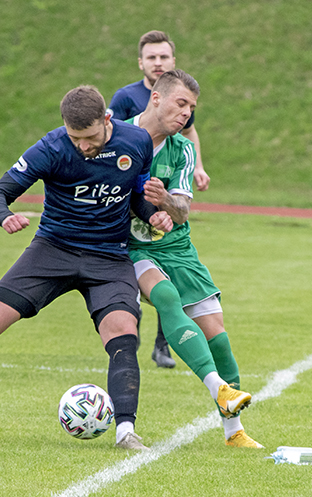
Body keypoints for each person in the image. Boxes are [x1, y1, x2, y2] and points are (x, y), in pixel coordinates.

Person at [0, 85, 173, 451]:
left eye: (90, 137)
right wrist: (5, 217)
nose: (82, 145)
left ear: (107, 119)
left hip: (109, 255)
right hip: (53, 249)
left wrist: (154, 213)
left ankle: (125, 431)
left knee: (123, 333)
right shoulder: (51, 147)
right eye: (75, 137)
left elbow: (134, 196)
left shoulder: (137, 142)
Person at [129, 69, 263, 448]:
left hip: (177, 247)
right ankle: (219, 388)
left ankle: (234, 432)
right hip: (133, 248)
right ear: (156, 98)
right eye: (181, 103)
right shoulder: (119, 137)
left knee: (218, 337)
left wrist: (164, 203)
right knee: (167, 297)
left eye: (192, 107)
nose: (187, 113)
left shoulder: (183, 149)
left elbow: (183, 210)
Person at [109, 30, 208, 369]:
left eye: (163, 57)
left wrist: (197, 166)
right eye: (151, 57)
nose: (158, 62)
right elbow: (109, 137)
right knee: (137, 281)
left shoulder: (182, 95)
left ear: (172, 62)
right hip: (128, 205)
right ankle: (127, 342)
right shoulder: (126, 97)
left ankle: (163, 345)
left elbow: (187, 133)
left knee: (169, 279)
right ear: (141, 62)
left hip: (160, 204)